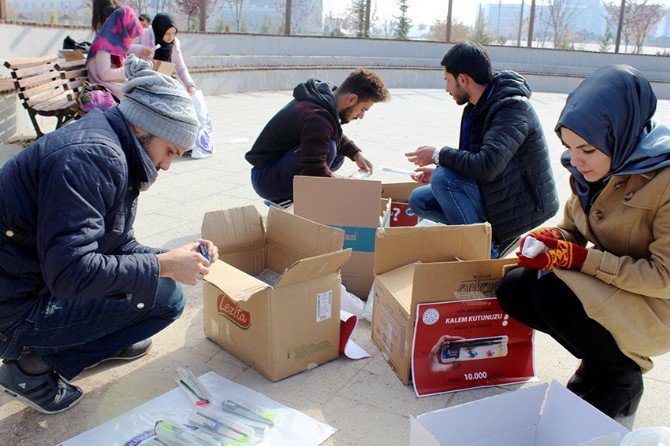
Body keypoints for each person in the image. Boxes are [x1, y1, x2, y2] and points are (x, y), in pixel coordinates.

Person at [0, 56, 217, 415]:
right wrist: (163, 265)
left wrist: (176, 256)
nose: (166, 165)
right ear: (144, 128)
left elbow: (116, 244)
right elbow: (70, 273)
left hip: (27, 281)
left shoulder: (113, 144)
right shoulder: (92, 158)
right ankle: (30, 370)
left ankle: (92, 336)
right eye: (170, 151)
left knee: (159, 282)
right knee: (166, 298)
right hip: (12, 312)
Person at [496, 65, 670, 418]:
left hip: (654, 304)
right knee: (515, 286)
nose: (575, 161)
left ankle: (620, 377)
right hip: (612, 289)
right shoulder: (591, 172)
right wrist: (550, 239)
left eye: (587, 149)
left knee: (553, 291)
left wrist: (580, 260)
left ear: (621, 135)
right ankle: (599, 360)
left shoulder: (663, 180)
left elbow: (664, 278)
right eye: (569, 147)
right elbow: (572, 228)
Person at [405, 42, 558, 258]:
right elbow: (475, 162)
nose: (446, 89)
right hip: (498, 189)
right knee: (419, 199)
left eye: (447, 81)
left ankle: (484, 250)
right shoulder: (478, 106)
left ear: (463, 79)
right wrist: (445, 168)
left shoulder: (512, 108)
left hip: (522, 204)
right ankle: (475, 234)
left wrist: (438, 155)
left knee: (444, 179)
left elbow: (487, 165)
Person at [245, 69, 389, 203]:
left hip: (270, 171)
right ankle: (286, 199)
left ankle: (301, 191)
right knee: (330, 148)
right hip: (266, 181)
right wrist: (347, 184)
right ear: (351, 99)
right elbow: (314, 170)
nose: (361, 116)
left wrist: (356, 154)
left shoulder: (324, 98)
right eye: (363, 109)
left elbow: (331, 132)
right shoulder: (316, 116)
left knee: (336, 151)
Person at [87, 6, 147, 100]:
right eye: (128, 32)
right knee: (141, 97)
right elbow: (104, 75)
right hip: (104, 87)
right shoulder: (104, 45)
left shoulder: (112, 42)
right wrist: (130, 71)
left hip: (111, 84)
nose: (128, 38)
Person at [135, 13, 196, 95]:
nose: (171, 37)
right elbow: (126, 48)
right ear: (160, 30)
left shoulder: (174, 44)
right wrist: (141, 49)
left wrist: (190, 85)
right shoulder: (145, 34)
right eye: (167, 33)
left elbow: (181, 68)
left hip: (164, 84)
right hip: (143, 84)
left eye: (174, 33)